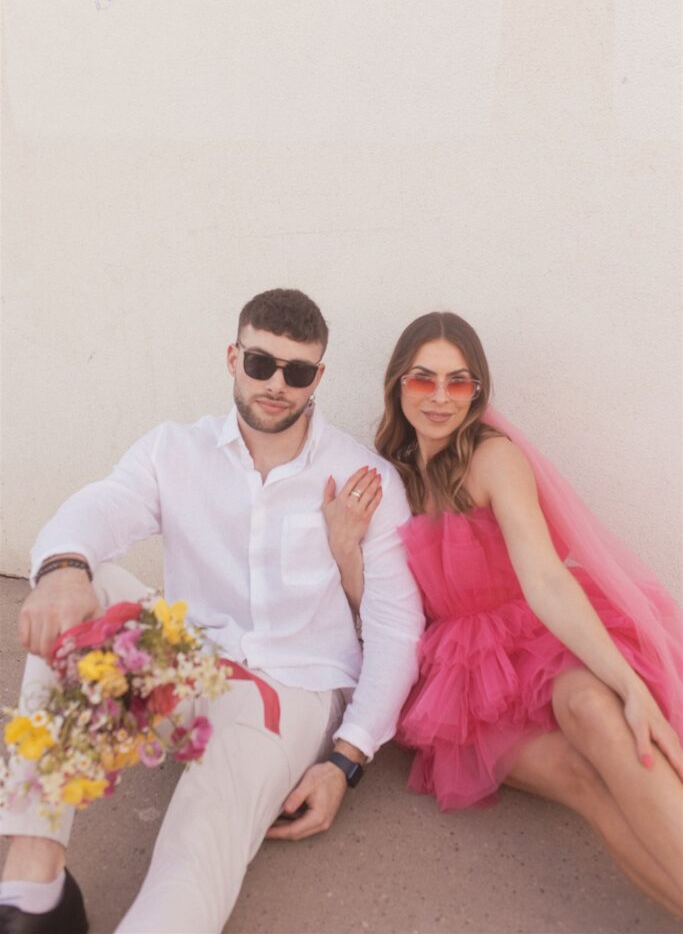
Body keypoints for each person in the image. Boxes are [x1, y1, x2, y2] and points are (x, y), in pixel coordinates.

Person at [0, 289, 425, 934]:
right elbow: (104, 505)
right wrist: (61, 571)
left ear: (319, 378)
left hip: (290, 691)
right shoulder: (175, 450)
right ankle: (34, 890)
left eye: (298, 371)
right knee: (83, 581)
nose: (277, 385)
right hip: (189, 662)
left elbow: (397, 626)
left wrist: (346, 759)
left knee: (199, 844)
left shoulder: (363, 478)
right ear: (233, 357)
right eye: (261, 364)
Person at [324, 310, 683, 916]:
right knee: (583, 782)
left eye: (458, 382)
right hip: (463, 681)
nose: (440, 398)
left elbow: (543, 578)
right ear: (397, 385)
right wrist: (344, 550)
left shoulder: (493, 460)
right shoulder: (391, 477)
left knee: (596, 709)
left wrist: (629, 686)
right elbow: (384, 613)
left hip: (536, 633)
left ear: (477, 391)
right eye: (423, 379)